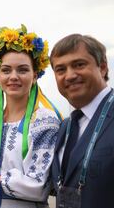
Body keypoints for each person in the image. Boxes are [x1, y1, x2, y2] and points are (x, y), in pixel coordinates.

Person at [0, 25, 62, 208]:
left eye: (22, 70)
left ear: (35, 76)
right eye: (6, 70)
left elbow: (38, 186)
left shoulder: (44, 121)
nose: (13, 76)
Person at [50, 34, 113, 208]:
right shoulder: (65, 126)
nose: (69, 75)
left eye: (79, 65)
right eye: (60, 69)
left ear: (102, 68)